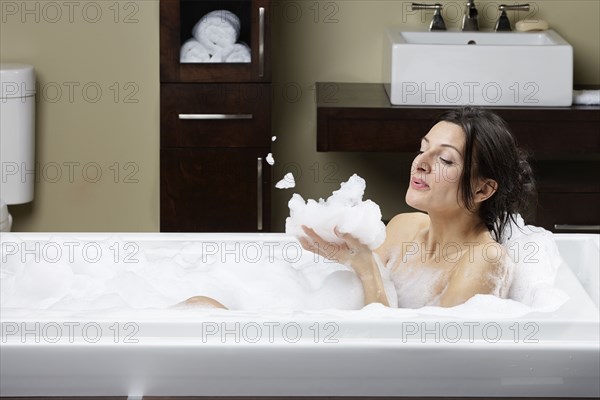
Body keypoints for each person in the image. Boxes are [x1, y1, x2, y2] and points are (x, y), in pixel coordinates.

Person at [300, 107, 535, 308]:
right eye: (423, 150)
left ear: (482, 190)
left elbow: (425, 356)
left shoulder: (484, 260)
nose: (420, 163)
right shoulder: (403, 227)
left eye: (445, 159)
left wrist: (365, 267)